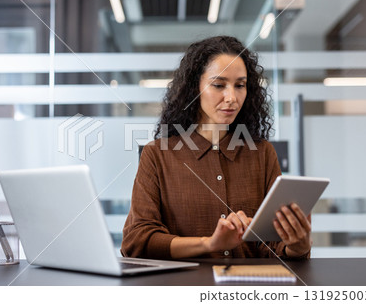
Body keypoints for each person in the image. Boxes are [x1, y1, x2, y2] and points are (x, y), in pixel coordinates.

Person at [121, 36, 311, 260]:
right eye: (219, 85)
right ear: (194, 89)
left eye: (240, 85)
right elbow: (136, 241)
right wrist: (209, 244)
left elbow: (271, 246)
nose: (232, 97)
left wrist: (297, 246)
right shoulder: (158, 155)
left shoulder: (262, 154)